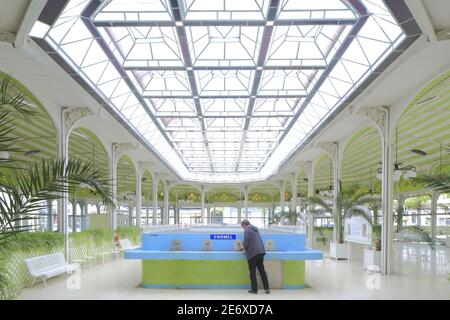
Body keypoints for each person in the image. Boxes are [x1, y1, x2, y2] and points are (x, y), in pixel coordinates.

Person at [240, 219, 270, 294]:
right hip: (261, 253)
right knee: (262, 271)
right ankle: (267, 289)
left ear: (244, 225)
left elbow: (246, 243)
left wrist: (242, 247)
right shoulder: (256, 230)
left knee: (252, 272)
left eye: (243, 227)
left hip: (253, 254)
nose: (243, 229)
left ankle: (254, 290)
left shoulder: (247, 231)